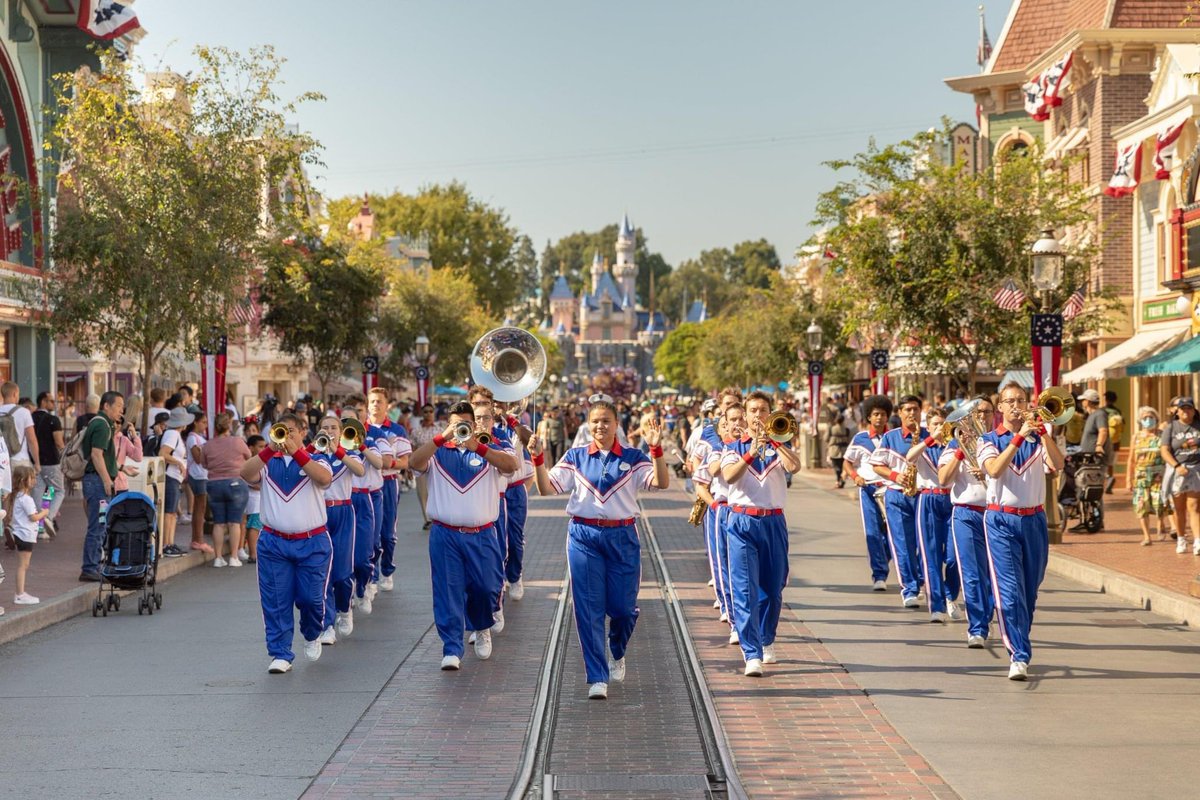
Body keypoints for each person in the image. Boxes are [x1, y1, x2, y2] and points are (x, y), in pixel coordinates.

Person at [531, 398, 666, 698]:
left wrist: (656, 450)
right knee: (588, 608)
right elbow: (545, 489)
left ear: (617, 424)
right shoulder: (576, 456)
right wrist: (538, 460)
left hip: (622, 537)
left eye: (606, 420)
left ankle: (616, 649)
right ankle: (597, 676)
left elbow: (661, 482)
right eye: (595, 421)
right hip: (584, 535)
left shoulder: (633, 457)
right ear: (587, 424)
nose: (600, 426)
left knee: (622, 609)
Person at [410, 401, 519, 672]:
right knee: (447, 590)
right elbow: (413, 462)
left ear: (474, 424)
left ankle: (482, 627)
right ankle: (451, 647)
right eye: (455, 423)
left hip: (482, 534)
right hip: (445, 534)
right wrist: (441, 438)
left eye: (465, 423)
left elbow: (512, 464)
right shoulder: (437, 451)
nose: (460, 428)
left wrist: (478, 446)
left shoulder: (491, 444)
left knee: (486, 588)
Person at [977, 381, 1065, 681]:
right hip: (1001, 520)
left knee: (1030, 588)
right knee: (1010, 591)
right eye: (1009, 401)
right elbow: (993, 470)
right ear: (999, 408)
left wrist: (1041, 434)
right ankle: (1019, 654)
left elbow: (1058, 464)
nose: (1016, 405)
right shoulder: (988, 439)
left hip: (1035, 520)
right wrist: (1017, 438)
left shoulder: (1039, 439)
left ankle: (1020, 639)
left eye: (1021, 400)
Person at [239, 412, 333, 674]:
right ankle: (280, 653)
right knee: (276, 600)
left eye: (292, 431)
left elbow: (324, 479)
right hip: (274, 543)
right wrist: (269, 449)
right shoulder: (268, 462)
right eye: (283, 431)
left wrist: (298, 452)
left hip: (312, 542)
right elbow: (245, 472)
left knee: (312, 599)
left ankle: (312, 632)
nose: (287, 436)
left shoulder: (319, 459)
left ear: (304, 432)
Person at [718, 392, 799, 677]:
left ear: (769, 413)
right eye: (753, 410)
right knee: (745, 589)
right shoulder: (733, 447)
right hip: (742, 522)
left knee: (773, 589)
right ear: (747, 414)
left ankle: (767, 639)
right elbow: (729, 476)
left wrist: (777, 442)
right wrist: (752, 450)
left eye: (763, 410)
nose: (757, 415)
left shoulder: (780, 444)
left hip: (774, 522)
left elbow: (794, 467)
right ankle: (751, 652)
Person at [937, 396, 996, 648]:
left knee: (994, 574)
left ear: (995, 414)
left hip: (995, 513)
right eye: (976, 412)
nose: (981, 417)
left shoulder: (1000, 442)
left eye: (985, 412)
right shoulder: (954, 444)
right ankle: (977, 628)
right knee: (971, 573)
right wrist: (961, 453)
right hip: (966, 513)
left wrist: (986, 470)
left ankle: (991, 616)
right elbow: (943, 479)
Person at [903, 406, 960, 623]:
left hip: (952, 500)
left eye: (942, 423)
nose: (939, 427)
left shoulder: (954, 445)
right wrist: (930, 439)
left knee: (955, 556)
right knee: (931, 555)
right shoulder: (923, 445)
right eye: (935, 424)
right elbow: (909, 457)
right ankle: (936, 606)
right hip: (928, 499)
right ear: (929, 426)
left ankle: (951, 595)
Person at [869, 395, 926, 607]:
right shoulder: (891, 437)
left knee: (924, 543)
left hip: (923, 495)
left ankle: (922, 580)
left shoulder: (929, 436)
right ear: (900, 413)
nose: (912, 413)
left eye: (915, 409)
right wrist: (895, 476)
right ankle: (909, 588)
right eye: (907, 410)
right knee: (903, 544)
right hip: (897, 495)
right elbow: (876, 465)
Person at [312, 413, 365, 643]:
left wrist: (338, 450)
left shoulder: (349, 453)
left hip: (343, 512)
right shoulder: (313, 455)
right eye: (326, 428)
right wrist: (316, 448)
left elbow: (360, 471)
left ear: (341, 432)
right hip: (319, 514)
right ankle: (327, 624)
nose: (330, 431)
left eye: (334, 427)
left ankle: (345, 609)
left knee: (342, 573)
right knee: (322, 573)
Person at [841, 395, 893, 591]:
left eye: (883, 414)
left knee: (892, 534)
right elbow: (847, 462)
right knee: (873, 532)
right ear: (869, 417)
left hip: (891, 489)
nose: (879, 418)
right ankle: (879, 575)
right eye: (876, 414)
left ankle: (884, 559)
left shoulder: (893, 437)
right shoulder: (860, 438)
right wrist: (855, 476)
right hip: (869, 488)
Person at [693, 411, 735, 638]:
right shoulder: (715, 447)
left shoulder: (760, 446)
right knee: (725, 564)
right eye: (731, 421)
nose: (737, 425)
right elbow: (701, 474)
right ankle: (733, 617)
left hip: (754, 516)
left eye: (741, 419)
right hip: (723, 509)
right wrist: (715, 506)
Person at [368, 387, 411, 592]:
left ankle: (386, 570)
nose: (376, 405)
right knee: (369, 532)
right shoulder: (360, 429)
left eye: (379, 402)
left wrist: (387, 463)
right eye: (372, 401)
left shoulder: (396, 430)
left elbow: (405, 462)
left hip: (387, 483)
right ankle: (371, 574)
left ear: (387, 406)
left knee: (386, 533)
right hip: (365, 485)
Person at [79, 391, 123, 582]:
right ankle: (90, 567)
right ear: (106, 405)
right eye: (118, 406)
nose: (121, 410)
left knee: (101, 524)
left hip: (96, 480)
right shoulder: (101, 424)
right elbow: (96, 455)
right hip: (97, 482)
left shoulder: (103, 424)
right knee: (97, 526)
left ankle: (93, 565)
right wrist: (107, 480)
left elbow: (103, 455)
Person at [197, 413, 252, 567]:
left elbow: (204, 463)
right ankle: (234, 557)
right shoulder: (238, 442)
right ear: (229, 425)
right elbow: (249, 456)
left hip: (214, 484)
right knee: (234, 522)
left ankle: (218, 558)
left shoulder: (208, 445)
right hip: (235, 482)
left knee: (218, 522)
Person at [1161, 397, 1200, 556]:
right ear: (1177, 411)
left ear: (1193, 410)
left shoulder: (1198, 426)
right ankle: (1181, 539)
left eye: (1188, 408)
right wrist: (1176, 466)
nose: (1185, 411)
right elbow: (1164, 450)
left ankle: (1198, 541)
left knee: (1194, 507)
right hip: (1177, 470)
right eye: (1182, 408)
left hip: (1196, 469)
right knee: (1179, 509)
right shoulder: (1171, 428)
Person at [158, 407, 199, 557]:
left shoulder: (174, 434)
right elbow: (163, 453)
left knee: (172, 512)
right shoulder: (172, 434)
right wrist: (179, 463)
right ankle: (166, 544)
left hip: (174, 477)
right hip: (171, 476)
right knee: (169, 512)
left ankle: (169, 542)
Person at [1127, 406, 1169, 546]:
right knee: (1141, 505)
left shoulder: (1162, 435)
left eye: (1151, 417)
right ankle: (1147, 536)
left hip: (1159, 474)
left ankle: (1161, 522)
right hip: (1141, 475)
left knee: (1159, 503)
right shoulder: (1136, 436)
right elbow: (1131, 459)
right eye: (1145, 417)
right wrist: (1129, 478)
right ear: (1140, 420)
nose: (1148, 420)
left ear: (1156, 419)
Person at [10, 465, 46, 605]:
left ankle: (20, 592)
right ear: (24, 480)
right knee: (23, 565)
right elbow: (33, 517)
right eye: (32, 478)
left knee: (23, 564)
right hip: (25, 534)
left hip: (22, 533)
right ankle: (20, 594)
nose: (35, 481)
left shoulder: (19, 497)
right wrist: (44, 513)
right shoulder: (26, 499)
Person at [31, 391, 65, 539]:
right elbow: (59, 442)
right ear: (43, 402)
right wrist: (65, 454)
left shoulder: (30, 418)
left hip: (35, 462)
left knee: (38, 493)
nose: (54, 404)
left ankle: (40, 529)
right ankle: (48, 518)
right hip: (51, 462)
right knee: (58, 491)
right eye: (51, 401)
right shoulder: (53, 420)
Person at [1077, 389, 1110, 530]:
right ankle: (1088, 518)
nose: (1082, 402)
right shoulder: (1090, 415)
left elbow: (1103, 431)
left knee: (1094, 489)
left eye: (1083, 400)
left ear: (1089, 401)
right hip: (1087, 458)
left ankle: (1097, 519)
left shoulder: (1099, 414)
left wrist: (1098, 446)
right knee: (1085, 488)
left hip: (1095, 459)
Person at [409, 403, 440, 529]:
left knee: (436, 491)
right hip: (420, 464)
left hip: (437, 464)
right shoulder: (416, 431)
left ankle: (436, 517)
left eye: (430, 411)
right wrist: (410, 467)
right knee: (422, 492)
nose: (428, 414)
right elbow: (412, 449)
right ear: (422, 414)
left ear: (434, 413)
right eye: (425, 411)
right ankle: (427, 519)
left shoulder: (439, 430)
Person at [186, 411, 209, 551]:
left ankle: (197, 539)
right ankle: (198, 539)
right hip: (197, 475)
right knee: (200, 509)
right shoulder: (192, 438)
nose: (205, 425)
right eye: (203, 422)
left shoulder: (199, 437)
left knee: (200, 508)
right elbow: (198, 458)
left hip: (202, 475)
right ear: (195, 422)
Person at [243, 434, 266, 563]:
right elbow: (251, 482)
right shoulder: (252, 462)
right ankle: (253, 554)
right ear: (251, 448)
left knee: (257, 526)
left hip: (259, 500)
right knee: (254, 527)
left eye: (264, 446)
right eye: (260, 446)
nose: (263, 449)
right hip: (254, 500)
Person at [111, 418, 143, 494]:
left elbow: (138, 458)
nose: (115, 425)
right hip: (105, 483)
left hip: (121, 485)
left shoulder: (123, 440)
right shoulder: (102, 437)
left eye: (118, 422)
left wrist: (135, 436)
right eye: (113, 422)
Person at [1103, 390, 1125, 493]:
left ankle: (1103, 482)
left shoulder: (1102, 411)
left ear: (1106, 399)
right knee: (1111, 463)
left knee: (1102, 462)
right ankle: (1110, 479)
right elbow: (1123, 426)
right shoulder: (1118, 412)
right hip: (1115, 442)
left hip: (1103, 441)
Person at [827, 412, 850, 489]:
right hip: (844, 450)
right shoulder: (846, 430)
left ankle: (838, 480)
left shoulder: (831, 429)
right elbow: (849, 440)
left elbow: (826, 438)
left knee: (836, 467)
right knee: (842, 466)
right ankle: (841, 480)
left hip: (834, 450)